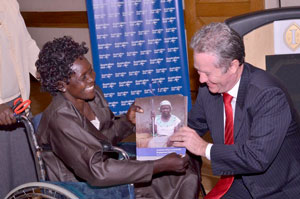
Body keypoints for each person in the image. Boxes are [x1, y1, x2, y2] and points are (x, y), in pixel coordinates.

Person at [35, 36, 201, 199]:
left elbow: (105, 138)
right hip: (82, 185)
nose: (92, 78)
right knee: (179, 176)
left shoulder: (92, 95)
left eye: (90, 71)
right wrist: (159, 165)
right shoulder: (61, 120)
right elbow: (96, 171)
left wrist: (128, 122)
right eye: (83, 77)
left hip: (107, 167)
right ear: (61, 85)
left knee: (188, 159)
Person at [170, 22, 300, 198]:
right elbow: (193, 126)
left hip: (277, 189)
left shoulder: (268, 95)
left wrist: (204, 148)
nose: (201, 80)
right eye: (198, 71)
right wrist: (152, 134)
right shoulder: (209, 88)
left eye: (207, 73)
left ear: (232, 66)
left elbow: (256, 158)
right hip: (238, 180)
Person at [0, 0, 39, 197]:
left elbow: (26, 43)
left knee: (25, 178)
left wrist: (46, 72)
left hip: (18, 104)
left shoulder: (8, 3)